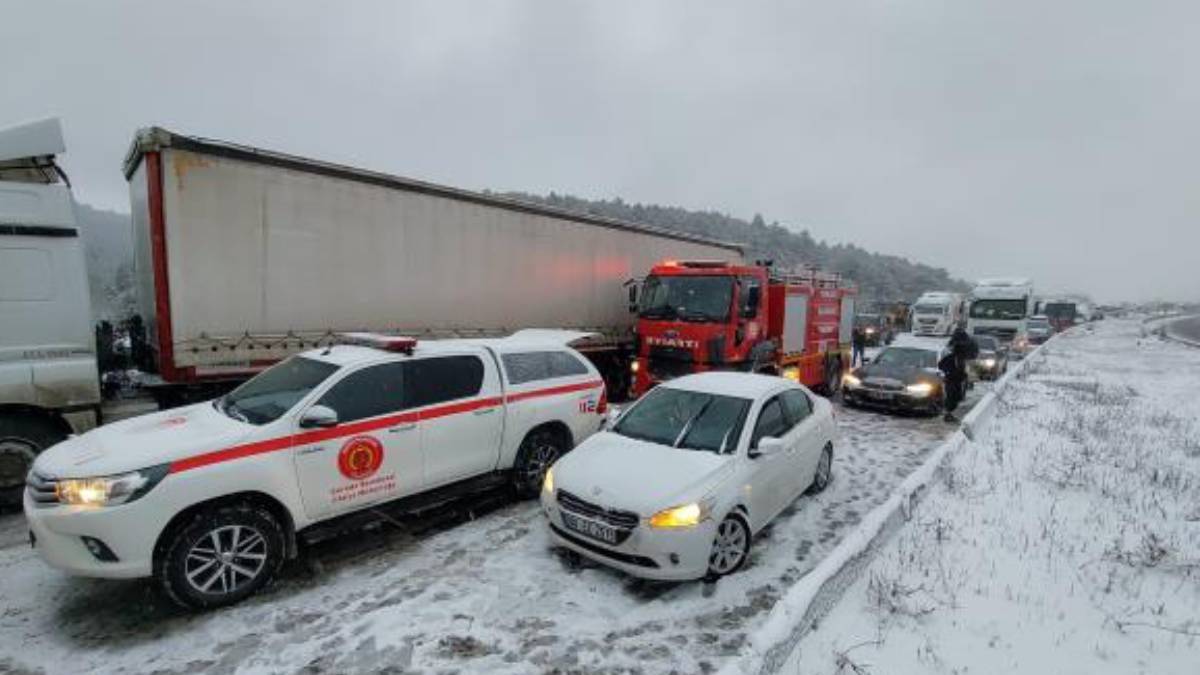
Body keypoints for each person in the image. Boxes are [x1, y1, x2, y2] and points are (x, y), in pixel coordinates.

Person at [939, 326, 979, 422]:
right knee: (953, 394)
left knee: (955, 394)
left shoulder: (963, 346)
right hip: (954, 377)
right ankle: (948, 413)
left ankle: (949, 413)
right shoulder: (952, 355)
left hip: (955, 376)